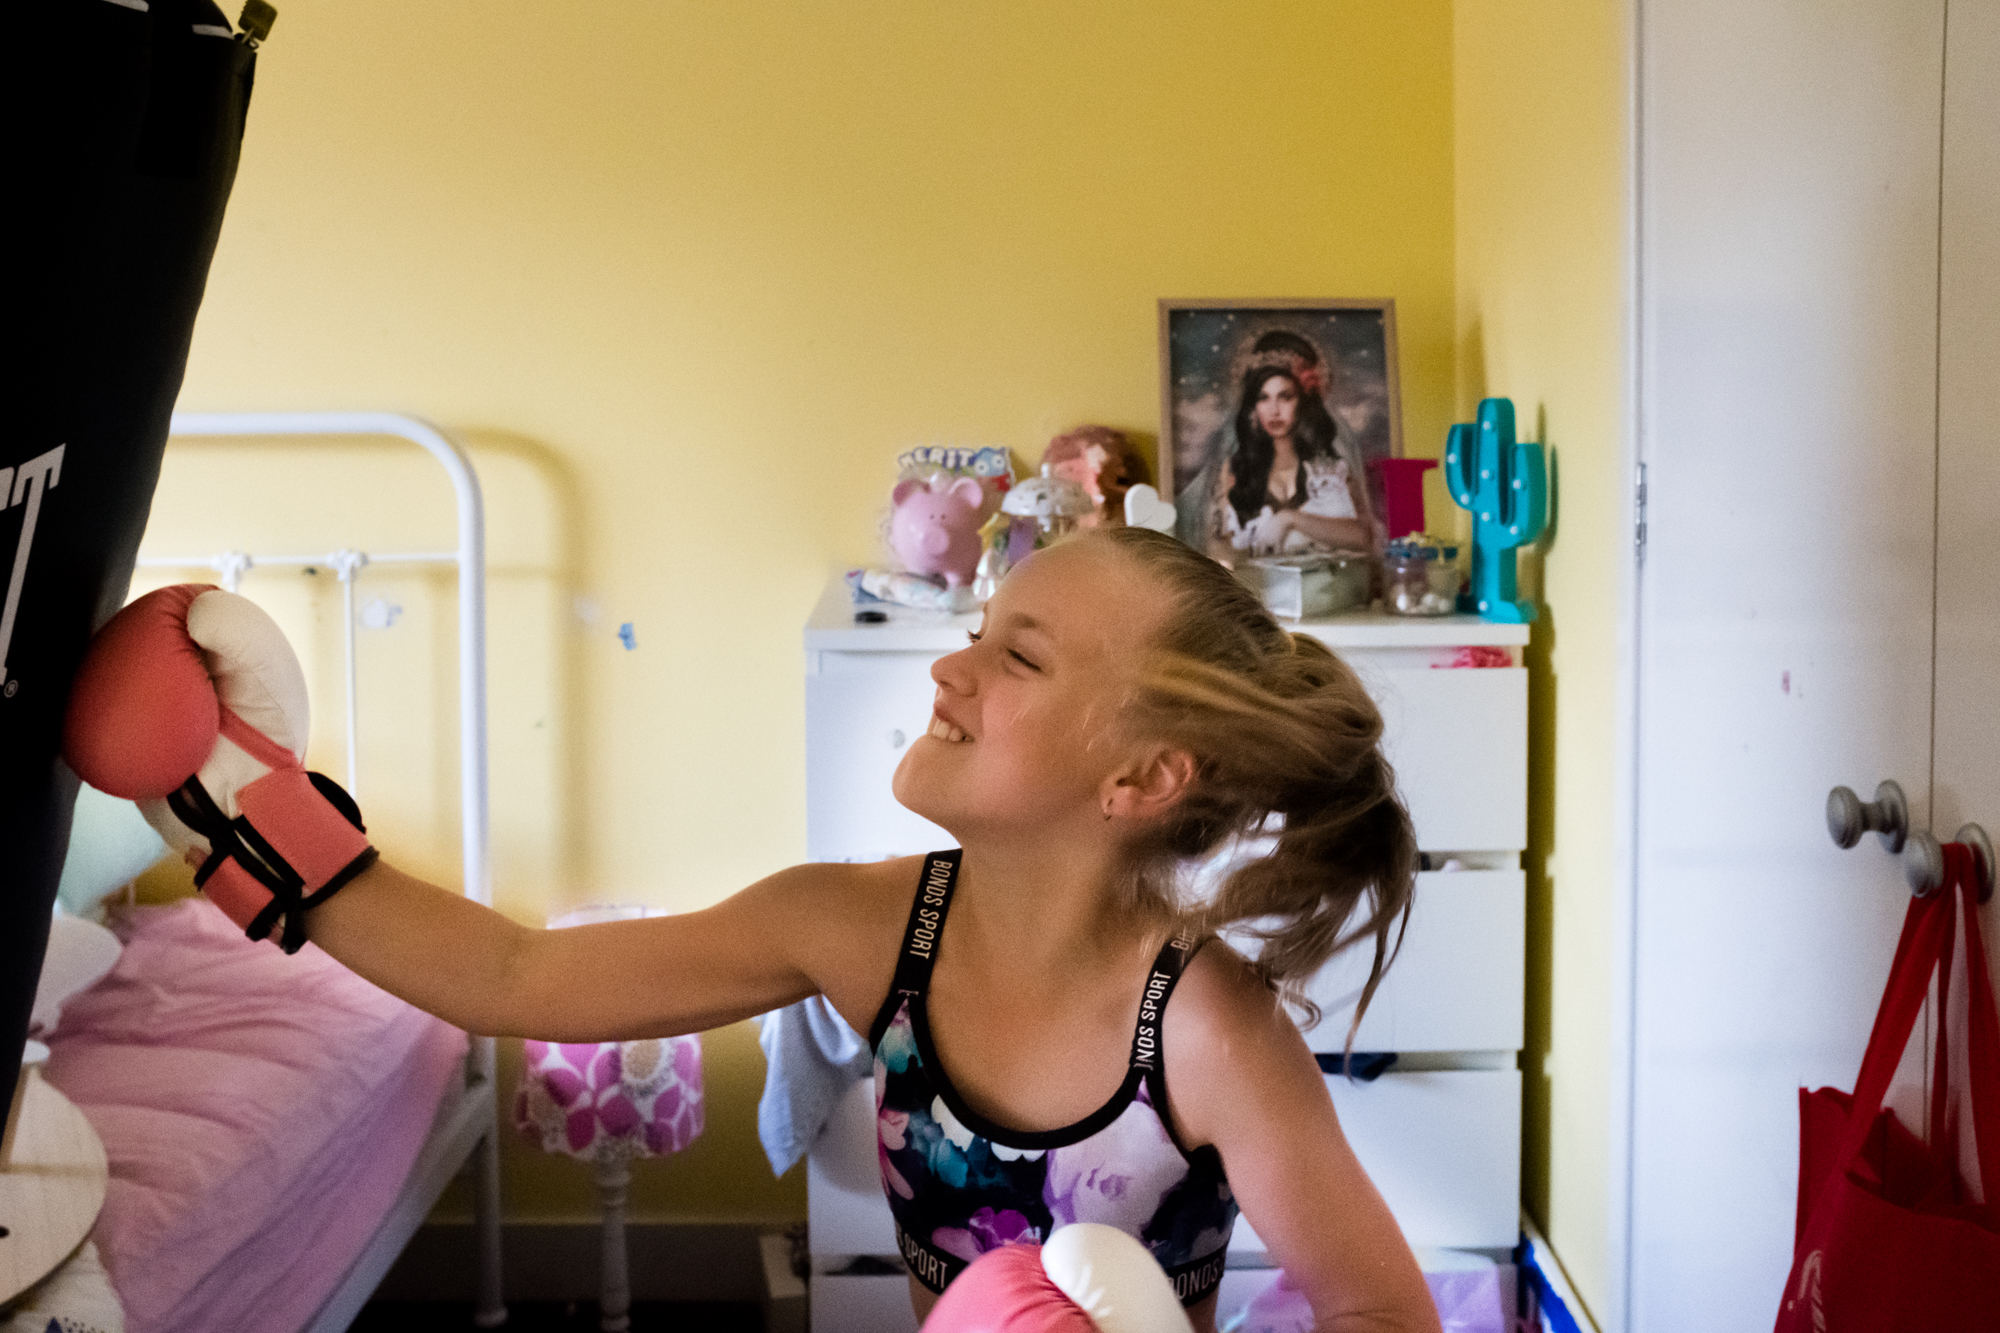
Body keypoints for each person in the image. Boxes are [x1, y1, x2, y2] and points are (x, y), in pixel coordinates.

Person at [76, 528, 1442, 1333]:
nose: (947, 667)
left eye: (1017, 657)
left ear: (1141, 781)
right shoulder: (852, 925)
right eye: (975, 628)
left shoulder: (1206, 1027)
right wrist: (244, 816)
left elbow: (1388, 1313)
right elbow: (512, 974)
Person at [1217, 333, 1381, 559]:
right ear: (1253, 408)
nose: (1274, 410)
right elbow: (1220, 547)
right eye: (1263, 398)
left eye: (1285, 397)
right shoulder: (1237, 468)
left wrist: (1290, 519)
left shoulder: (1330, 467)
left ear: (1302, 401)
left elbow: (1363, 537)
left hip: (1323, 590)